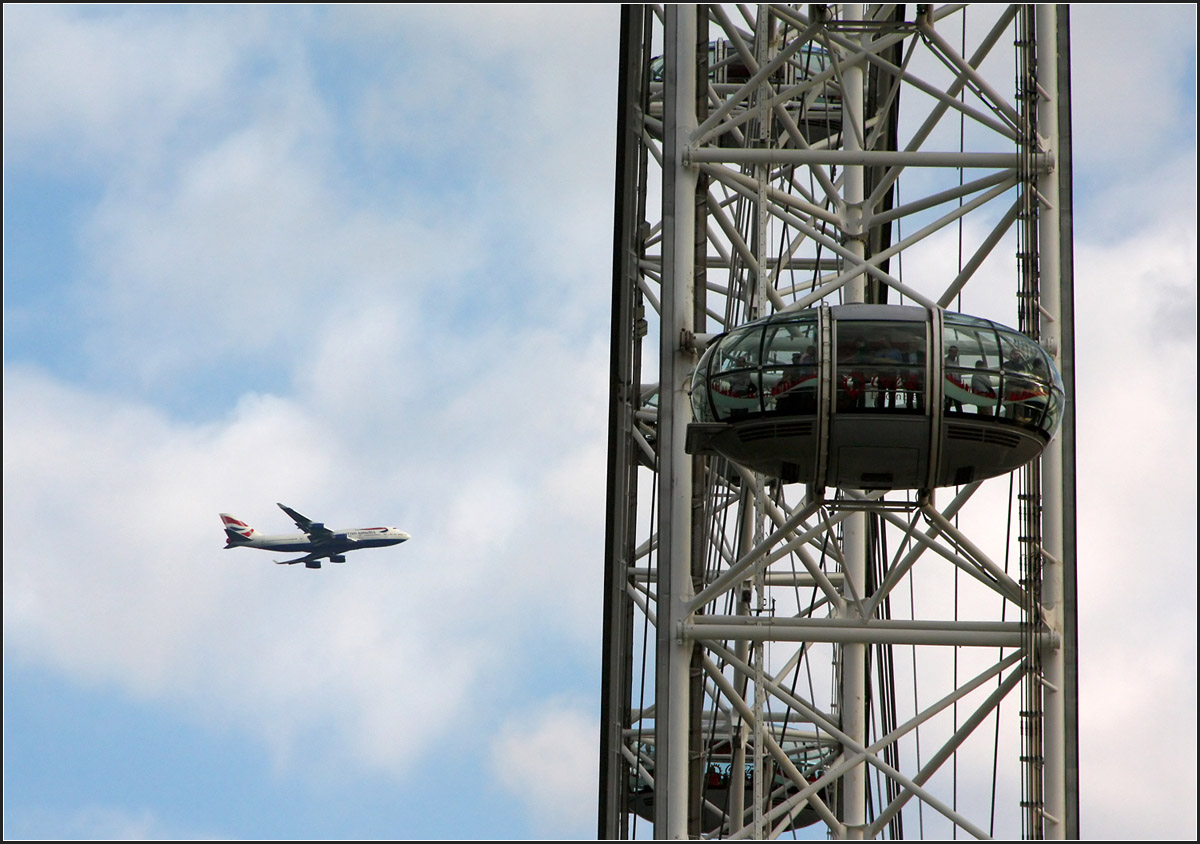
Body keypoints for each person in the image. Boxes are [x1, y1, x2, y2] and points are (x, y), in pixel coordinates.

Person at [944, 345, 963, 412]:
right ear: (949, 352)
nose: (954, 354)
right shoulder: (945, 361)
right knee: (948, 402)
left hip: (956, 385)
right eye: (952, 352)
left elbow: (958, 373)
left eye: (955, 352)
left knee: (958, 403)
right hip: (949, 384)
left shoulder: (956, 363)